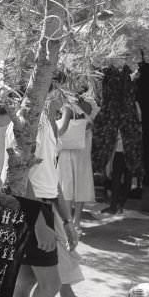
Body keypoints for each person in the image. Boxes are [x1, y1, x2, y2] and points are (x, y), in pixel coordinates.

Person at [5, 85, 78, 297]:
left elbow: (51, 177)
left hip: (43, 207)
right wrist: (38, 223)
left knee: (26, 280)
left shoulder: (47, 123)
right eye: (67, 92)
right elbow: (20, 174)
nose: (69, 99)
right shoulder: (30, 122)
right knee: (50, 283)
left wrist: (67, 220)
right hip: (31, 207)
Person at [56, 82, 98, 233]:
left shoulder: (67, 104)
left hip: (68, 146)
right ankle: (76, 222)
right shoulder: (90, 104)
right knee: (80, 181)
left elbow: (62, 128)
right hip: (82, 146)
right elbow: (90, 124)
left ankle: (68, 222)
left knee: (67, 182)